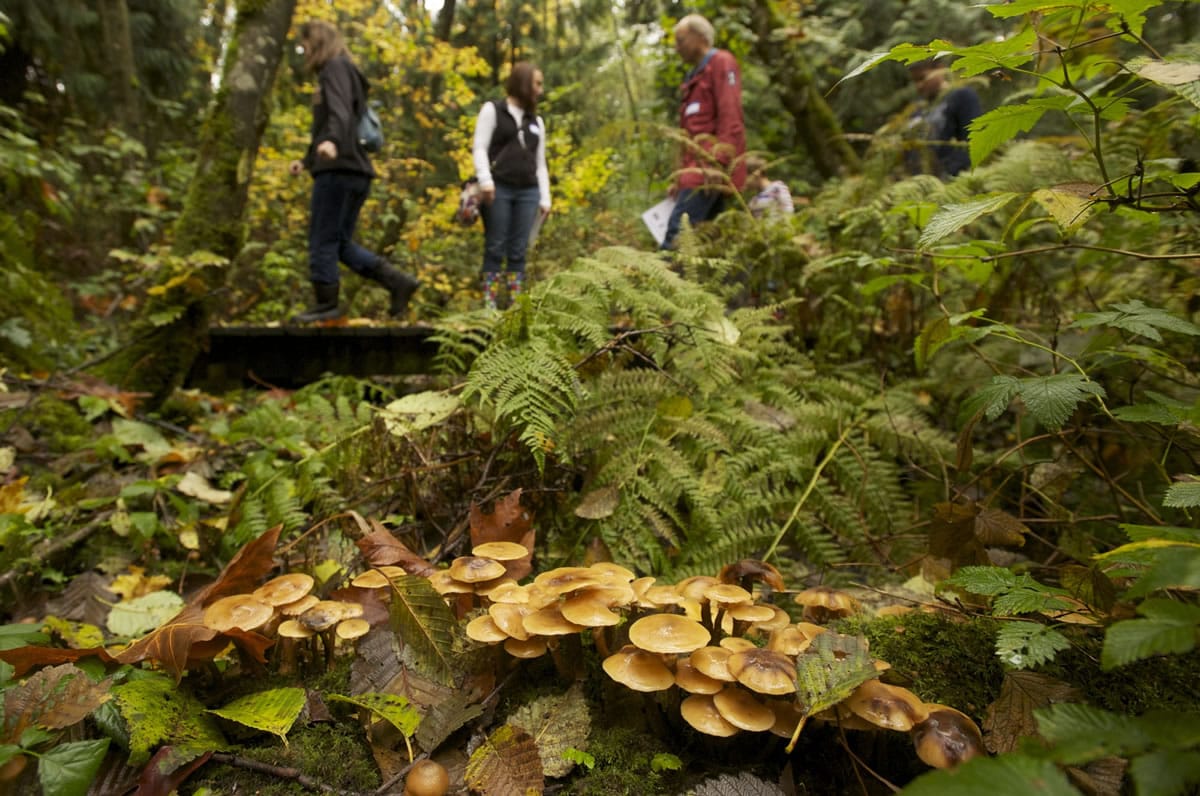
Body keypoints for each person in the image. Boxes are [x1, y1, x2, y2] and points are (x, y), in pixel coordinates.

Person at [289, 20, 418, 323]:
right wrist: (307, 161)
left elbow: (341, 114)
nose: (303, 49)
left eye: (305, 43)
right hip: (354, 170)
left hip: (339, 168)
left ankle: (326, 304)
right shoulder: (344, 71)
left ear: (317, 41)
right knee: (341, 243)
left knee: (322, 238)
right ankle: (398, 283)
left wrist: (332, 142)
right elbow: (334, 119)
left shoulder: (334, 68)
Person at [661, 14, 746, 250]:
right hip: (693, 172)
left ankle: (658, 284)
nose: (677, 48)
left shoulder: (721, 63)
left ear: (699, 37)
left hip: (708, 172)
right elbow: (687, 134)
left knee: (678, 234)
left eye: (680, 40)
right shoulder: (692, 79)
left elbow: (731, 117)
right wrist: (678, 177)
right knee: (711, 242)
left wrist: (718, 163)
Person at [472, 61, 551, 310]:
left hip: (528, 191)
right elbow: (480, 147)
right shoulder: (492, 110)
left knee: (518, 251)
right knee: (495, 247)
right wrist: (485, 181)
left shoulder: (536, 121)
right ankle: (489, 307)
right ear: (523, 82)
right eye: (536, 83)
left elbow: (540, 163)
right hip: (499, 189)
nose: (540, 89)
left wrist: (545, 197)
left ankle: (515, 308)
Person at [904, 59, 982, 178]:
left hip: (954, 180)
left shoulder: (962, 96)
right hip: (922, 182)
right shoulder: (918, 109)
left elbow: (973, 142)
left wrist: (951, 174)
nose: (918, 86)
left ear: (940, 69)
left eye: (922, 78)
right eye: (914, 81)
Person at [744, 155, 794, 220]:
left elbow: (788, 212)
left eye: (746, 177)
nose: (745, 182)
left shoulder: (777, 188)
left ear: (756, 174)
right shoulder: (753, 201)